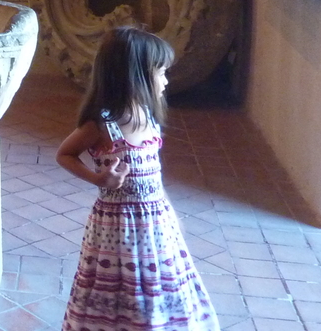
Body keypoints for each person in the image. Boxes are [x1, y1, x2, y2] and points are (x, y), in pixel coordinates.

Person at [57, 26, 219, 331]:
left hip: (156, 223)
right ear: (136, 75)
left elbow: (154, 179)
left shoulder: (148, 116)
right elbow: (64, 154)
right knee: (123, 287)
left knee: (156, 284)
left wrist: (172, 218)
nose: (166, 80)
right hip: (116, 229)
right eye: (161, 72)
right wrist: (98, 179)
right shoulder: (102, 124)